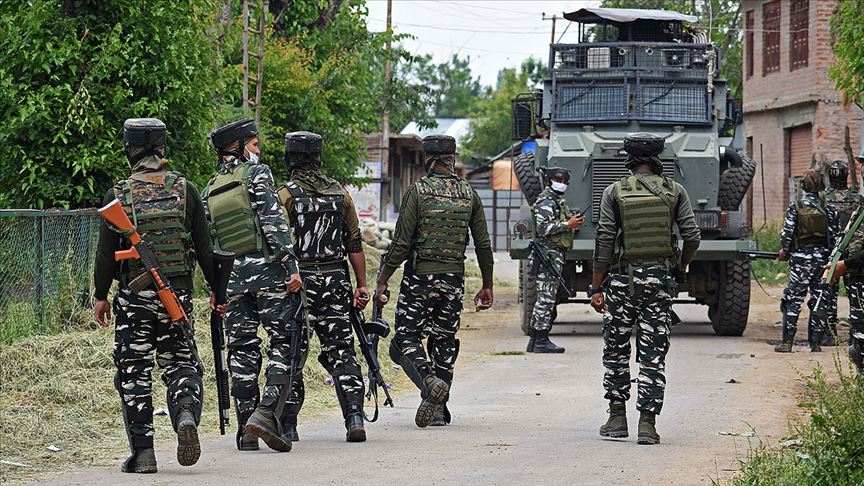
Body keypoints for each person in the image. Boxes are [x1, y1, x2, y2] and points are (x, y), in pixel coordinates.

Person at [93, 118, 216, 473]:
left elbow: (105, 255)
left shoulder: (118, 194)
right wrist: (217, 293)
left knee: (134, 371)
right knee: (180, 362)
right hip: (177, 297)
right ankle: (185, 415)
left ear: (129, 148)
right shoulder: (186, 189)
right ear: (163, 148)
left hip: (134, 298)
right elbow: (205, 249)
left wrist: (101, 295)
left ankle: (144, 453)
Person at [375, 134, 494, 428]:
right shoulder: (469, 194)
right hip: (453, 279)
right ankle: (440, 409)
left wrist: (382, 278)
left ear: (428, 159)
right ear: (452, 158)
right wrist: (487, 284)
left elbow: (401, 243)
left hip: (419, 279)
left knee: (404, 339)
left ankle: (429, 383)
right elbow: (483, 245)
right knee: (444, 340)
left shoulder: (418, 191)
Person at [590, 133, 700, 445]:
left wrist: (596, 286)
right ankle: (647, 424)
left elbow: (604, 241)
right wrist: (680, 266)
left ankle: (616, 417)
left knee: (616, 349)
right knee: (652, 354)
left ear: (630, 160)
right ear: (656, 159)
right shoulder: (675, 190)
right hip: (659, 283)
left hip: (622, 283)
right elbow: (692, 236)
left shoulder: (614, 191)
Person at [201, 118, 303, 453]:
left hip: (231, 279)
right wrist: (290, 266)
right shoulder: (258, 174)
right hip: (268, 272)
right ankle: (265, 413)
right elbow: (272, 221)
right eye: (255, 145)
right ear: (241, 146)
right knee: (284, 341)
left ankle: (246, 432)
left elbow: (206, 244)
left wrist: (216, 287)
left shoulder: (209, 187)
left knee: (241, 349)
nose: (259, 150)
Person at [276, 131, 370, 442]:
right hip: (336, 280)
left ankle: (288, 424)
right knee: (342, 349)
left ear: (291, 158)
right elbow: (354, 243)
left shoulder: (286, 196)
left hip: (299, 284)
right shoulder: (340, 195)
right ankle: (354, 416)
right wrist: (361, 285)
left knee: (293, 351)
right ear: (319, 157)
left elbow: (277, 243)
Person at [775, 170, 840, 353]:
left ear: (802, 186)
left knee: (793, 300)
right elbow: (836, 238)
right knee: (820, 301)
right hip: (823, 262)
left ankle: (787, 343)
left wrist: (785, 252)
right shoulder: (830, 209)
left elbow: (787, 235)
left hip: (800, 261)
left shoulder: (795, 207)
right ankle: (815, 344)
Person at [526, 167, 584, 353]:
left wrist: (569, 222)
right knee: (546, 298)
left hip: (552, 254)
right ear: (549, 180)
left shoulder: (555, 201)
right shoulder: (545, 200)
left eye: (566, 182)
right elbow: (543, 228)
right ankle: (541, 341)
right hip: (547, 255)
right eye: (559, 180)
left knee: (544, 298)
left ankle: (535, 341)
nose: (563, 185)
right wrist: (568, 224)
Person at [822, 159, 860, 346]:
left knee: (830, 292)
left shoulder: (824, 198)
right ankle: (856, 333)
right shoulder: (856, 197)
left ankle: (830, 334)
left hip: (832, 249)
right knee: (855, 294)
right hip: (852, 250)